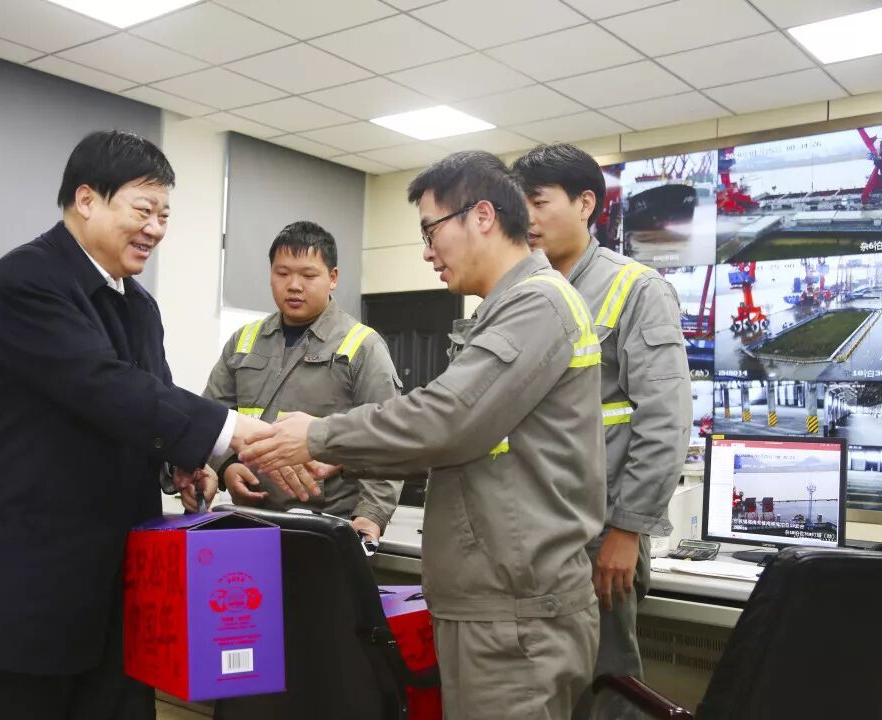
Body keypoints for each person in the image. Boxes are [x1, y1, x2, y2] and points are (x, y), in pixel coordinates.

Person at [240, 151, 606, 719]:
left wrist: (318, 436)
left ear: (481, 216)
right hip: (492, 602)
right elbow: (457, 434)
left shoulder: (538, 304)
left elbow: (446, 420)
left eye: (431, 231)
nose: (428, 251)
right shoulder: (505, 309)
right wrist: (341, 454)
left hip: (516, 612)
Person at [0, 131, 272, 720]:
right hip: (23, 588)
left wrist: (185, 461)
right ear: (87, 199)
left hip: (114, 593)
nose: (156, 229)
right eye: (143, 210)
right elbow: (102, 385)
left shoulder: (139, 305)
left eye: (164, 215)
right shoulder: (26, 279)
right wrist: (232, 431)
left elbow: (151, 400)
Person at [512, 143, 692, 719]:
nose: (527, 218)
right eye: (519, 204)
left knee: (605, 691)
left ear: (586, 203)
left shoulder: (635, 288)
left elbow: (665, 420)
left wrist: (628, 530)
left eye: (539, 202)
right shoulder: (518, 292)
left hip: (600, 535)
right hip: (530, 531)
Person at [202, 220, 402, 541]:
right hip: (252, 521)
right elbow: (211, 417)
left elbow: (386, 440)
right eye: (282, 273)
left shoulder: (362, 346)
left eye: (308, 275)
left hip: (327, 527)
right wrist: (226, 467)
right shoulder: (244, 341)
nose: (294, 285)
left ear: (332, 278)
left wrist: (370, 515)